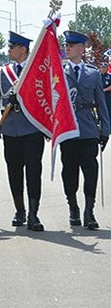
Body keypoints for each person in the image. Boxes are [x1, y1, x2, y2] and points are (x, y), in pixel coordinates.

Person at [0, 31, 45, 231]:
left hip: (32, 128)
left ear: (23, 49)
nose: (9, 50)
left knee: (33, 171)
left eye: (12, 47)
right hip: (10, 129)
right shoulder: (2, 73)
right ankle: (20, 210)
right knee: (14, 172)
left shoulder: (36, 71)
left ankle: (33, 213)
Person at [61, 30, 110, 230]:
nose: (67, 48)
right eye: (66, 45)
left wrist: (105, 130)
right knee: (69, 171)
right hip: (67, 129)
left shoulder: (92, 73)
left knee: (91, 170)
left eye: (71, 45)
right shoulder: (59, 73)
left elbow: (101, 104)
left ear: (82, 48)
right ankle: (73, 206)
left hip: (88, 129)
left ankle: (89, 211)